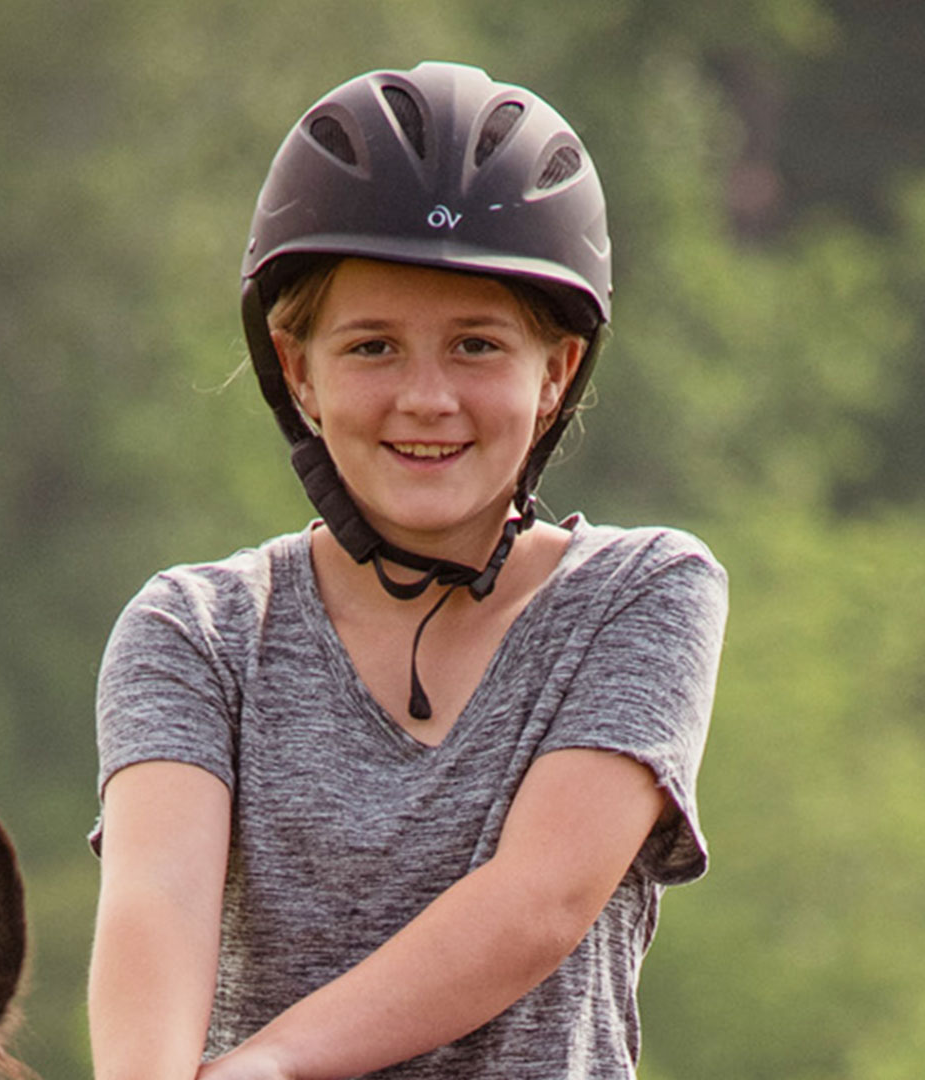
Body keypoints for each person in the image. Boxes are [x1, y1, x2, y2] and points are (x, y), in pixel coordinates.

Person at [87, 61, 728, 1080]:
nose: (426, 399)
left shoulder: (641, 594)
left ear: (555, 374)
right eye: (374, 347)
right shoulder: (195, 634)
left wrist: (274, 1064)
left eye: (475, 346)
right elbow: (155, 903)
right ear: (299, 372)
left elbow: (540, 902)